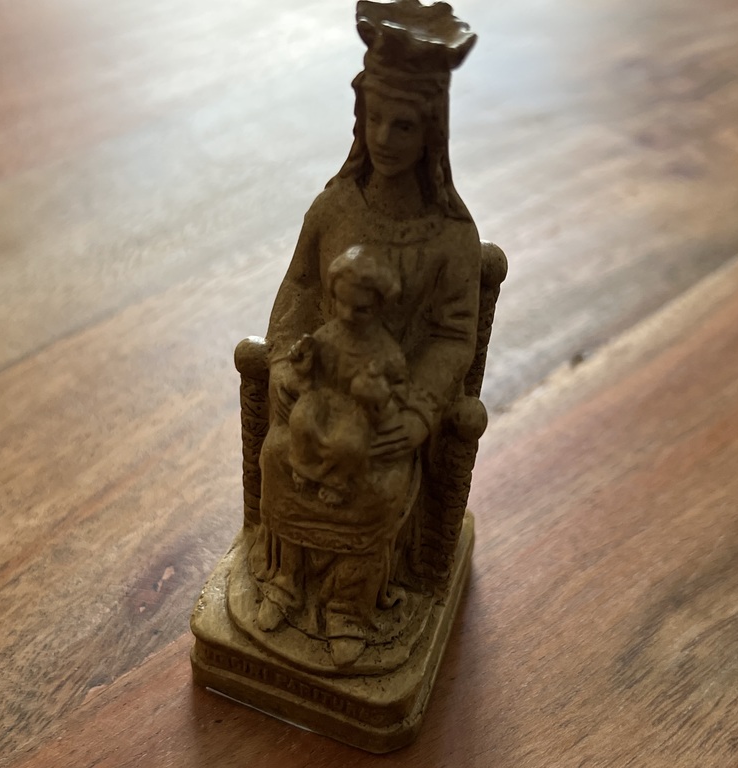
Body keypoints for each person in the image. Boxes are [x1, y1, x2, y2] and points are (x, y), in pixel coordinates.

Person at [250, 0, 481, 667]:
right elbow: (298, 292)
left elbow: (452, 338)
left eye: (402, 124)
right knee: (278, 456)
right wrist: (284, 362)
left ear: (431, 130)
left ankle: (348, 605)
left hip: (385, 411)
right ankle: (285, 580)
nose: (384, 136)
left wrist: (416, 414)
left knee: (378, 484)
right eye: (374, 117)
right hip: (319, 393)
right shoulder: (332, 209)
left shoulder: (450, 240)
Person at [284, 245, 408, 506]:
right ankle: (304, 467)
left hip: (357, 411)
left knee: (348, 444)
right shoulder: (328, 335)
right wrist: (304, 362)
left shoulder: (386, 351)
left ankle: (337, 481)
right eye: (341, 303)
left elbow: (399, 391)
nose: (347, 315)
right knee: (302, 420)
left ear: (379, 306)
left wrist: (378, 393)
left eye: (361, 309)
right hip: (324, 397)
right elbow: (310, 372)